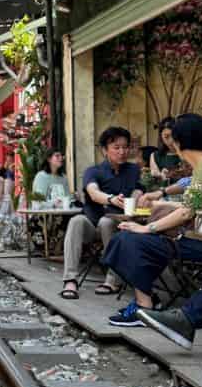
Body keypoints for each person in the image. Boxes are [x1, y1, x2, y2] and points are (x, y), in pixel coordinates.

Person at [103, 113, 202, 327]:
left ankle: (144, 307)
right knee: (127, 238)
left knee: (131, 240)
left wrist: (148, 229)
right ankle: (145, 304)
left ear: (178, 142)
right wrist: (161, 205)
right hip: (199, 237)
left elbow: (187, 212)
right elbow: (193, 206)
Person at [60, 127, 142, 300]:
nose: (122, 152)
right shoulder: (93, 171)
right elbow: (93, 192)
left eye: (125, 147)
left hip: (120, 226)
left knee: (107, 222)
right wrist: (111, 199)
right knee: (76, 221)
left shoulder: (133, 170)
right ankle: (70, 280)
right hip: (92, 224)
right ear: (104, 150)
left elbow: (138, 190)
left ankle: (113, 280)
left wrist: (137, 197)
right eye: (116, 147)